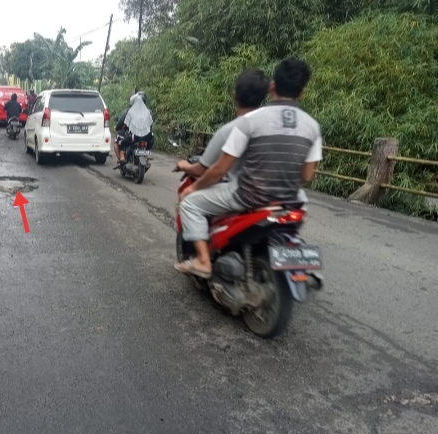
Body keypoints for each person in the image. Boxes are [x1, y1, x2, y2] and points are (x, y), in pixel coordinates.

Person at [175, 58, 322, 278]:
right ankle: (299, 260)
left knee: (189, 204)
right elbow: (307, 175)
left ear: (272, 86)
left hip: (249, 197)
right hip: (290, 198)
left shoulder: (250, 121)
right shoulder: (312, 126)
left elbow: (219, 170)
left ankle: (204, 261)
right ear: (302, 92)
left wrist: (192, 190)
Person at [113, 92, 153, 170]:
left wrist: (117, 128)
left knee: (119, 140)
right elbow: (151, 124)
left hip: (133, 135)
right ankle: (145, 157)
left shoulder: (129, 111)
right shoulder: (149, 112)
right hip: (147, 136)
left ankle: (121, 158)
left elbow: (120, 123)